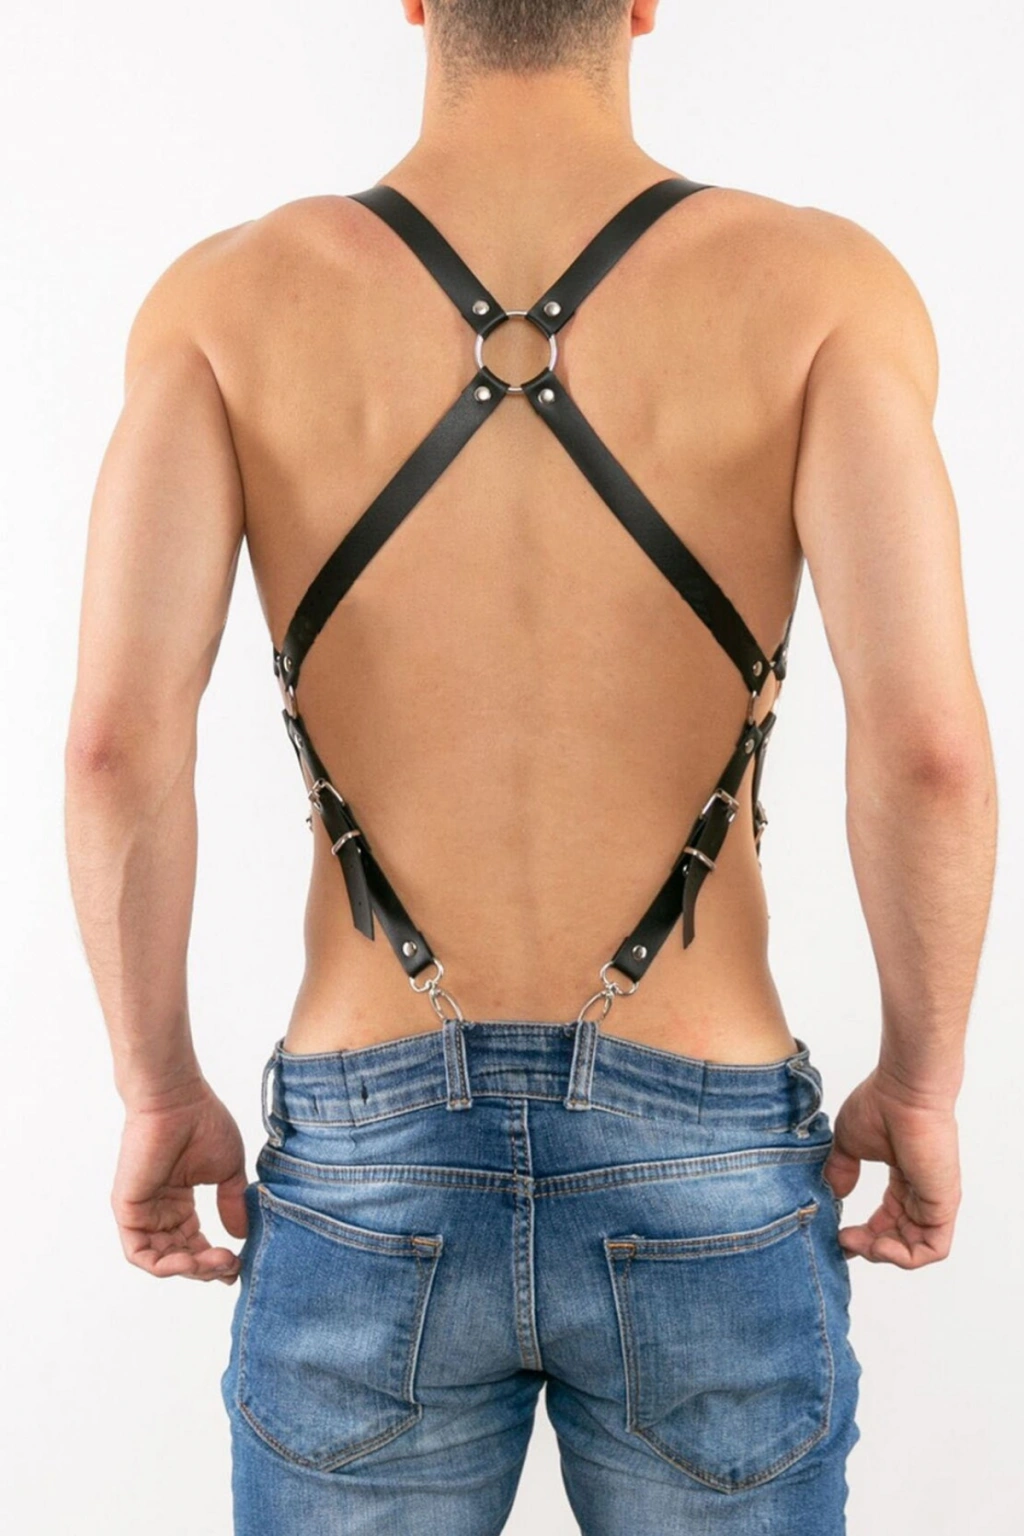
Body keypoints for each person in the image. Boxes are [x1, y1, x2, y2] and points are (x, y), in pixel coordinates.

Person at [63, 1, 997, 1531]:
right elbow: (932, 754)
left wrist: (155, 1084)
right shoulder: (819, 291)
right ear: (642, 4)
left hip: (368, 1153)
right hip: (704, 1137)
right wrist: (925, 1081)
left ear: (416, 2)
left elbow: (116, 748)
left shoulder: (229, 304)